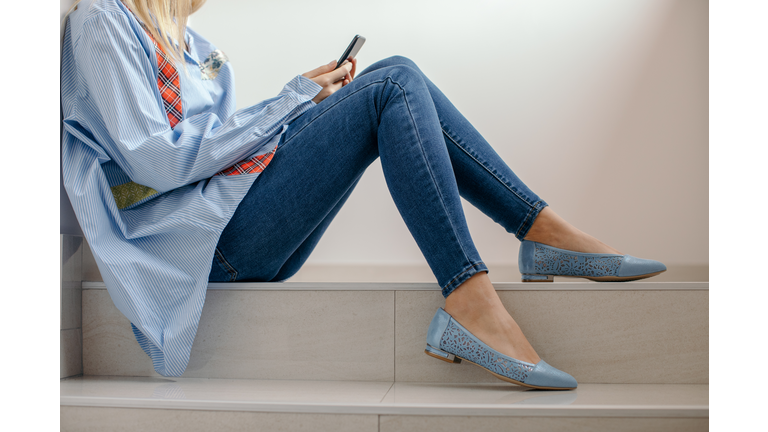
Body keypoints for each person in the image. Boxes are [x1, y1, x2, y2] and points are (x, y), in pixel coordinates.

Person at [61, 0, 666, 388]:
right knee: (392, 84)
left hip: (233, 221)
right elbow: (160, 163)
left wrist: (300, 108)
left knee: (395, 75)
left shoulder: (196, 48)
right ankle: (478, 294)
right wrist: (289, 99)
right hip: (199, 247)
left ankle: (537, 232)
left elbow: (215, 147)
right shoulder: (102, 21)